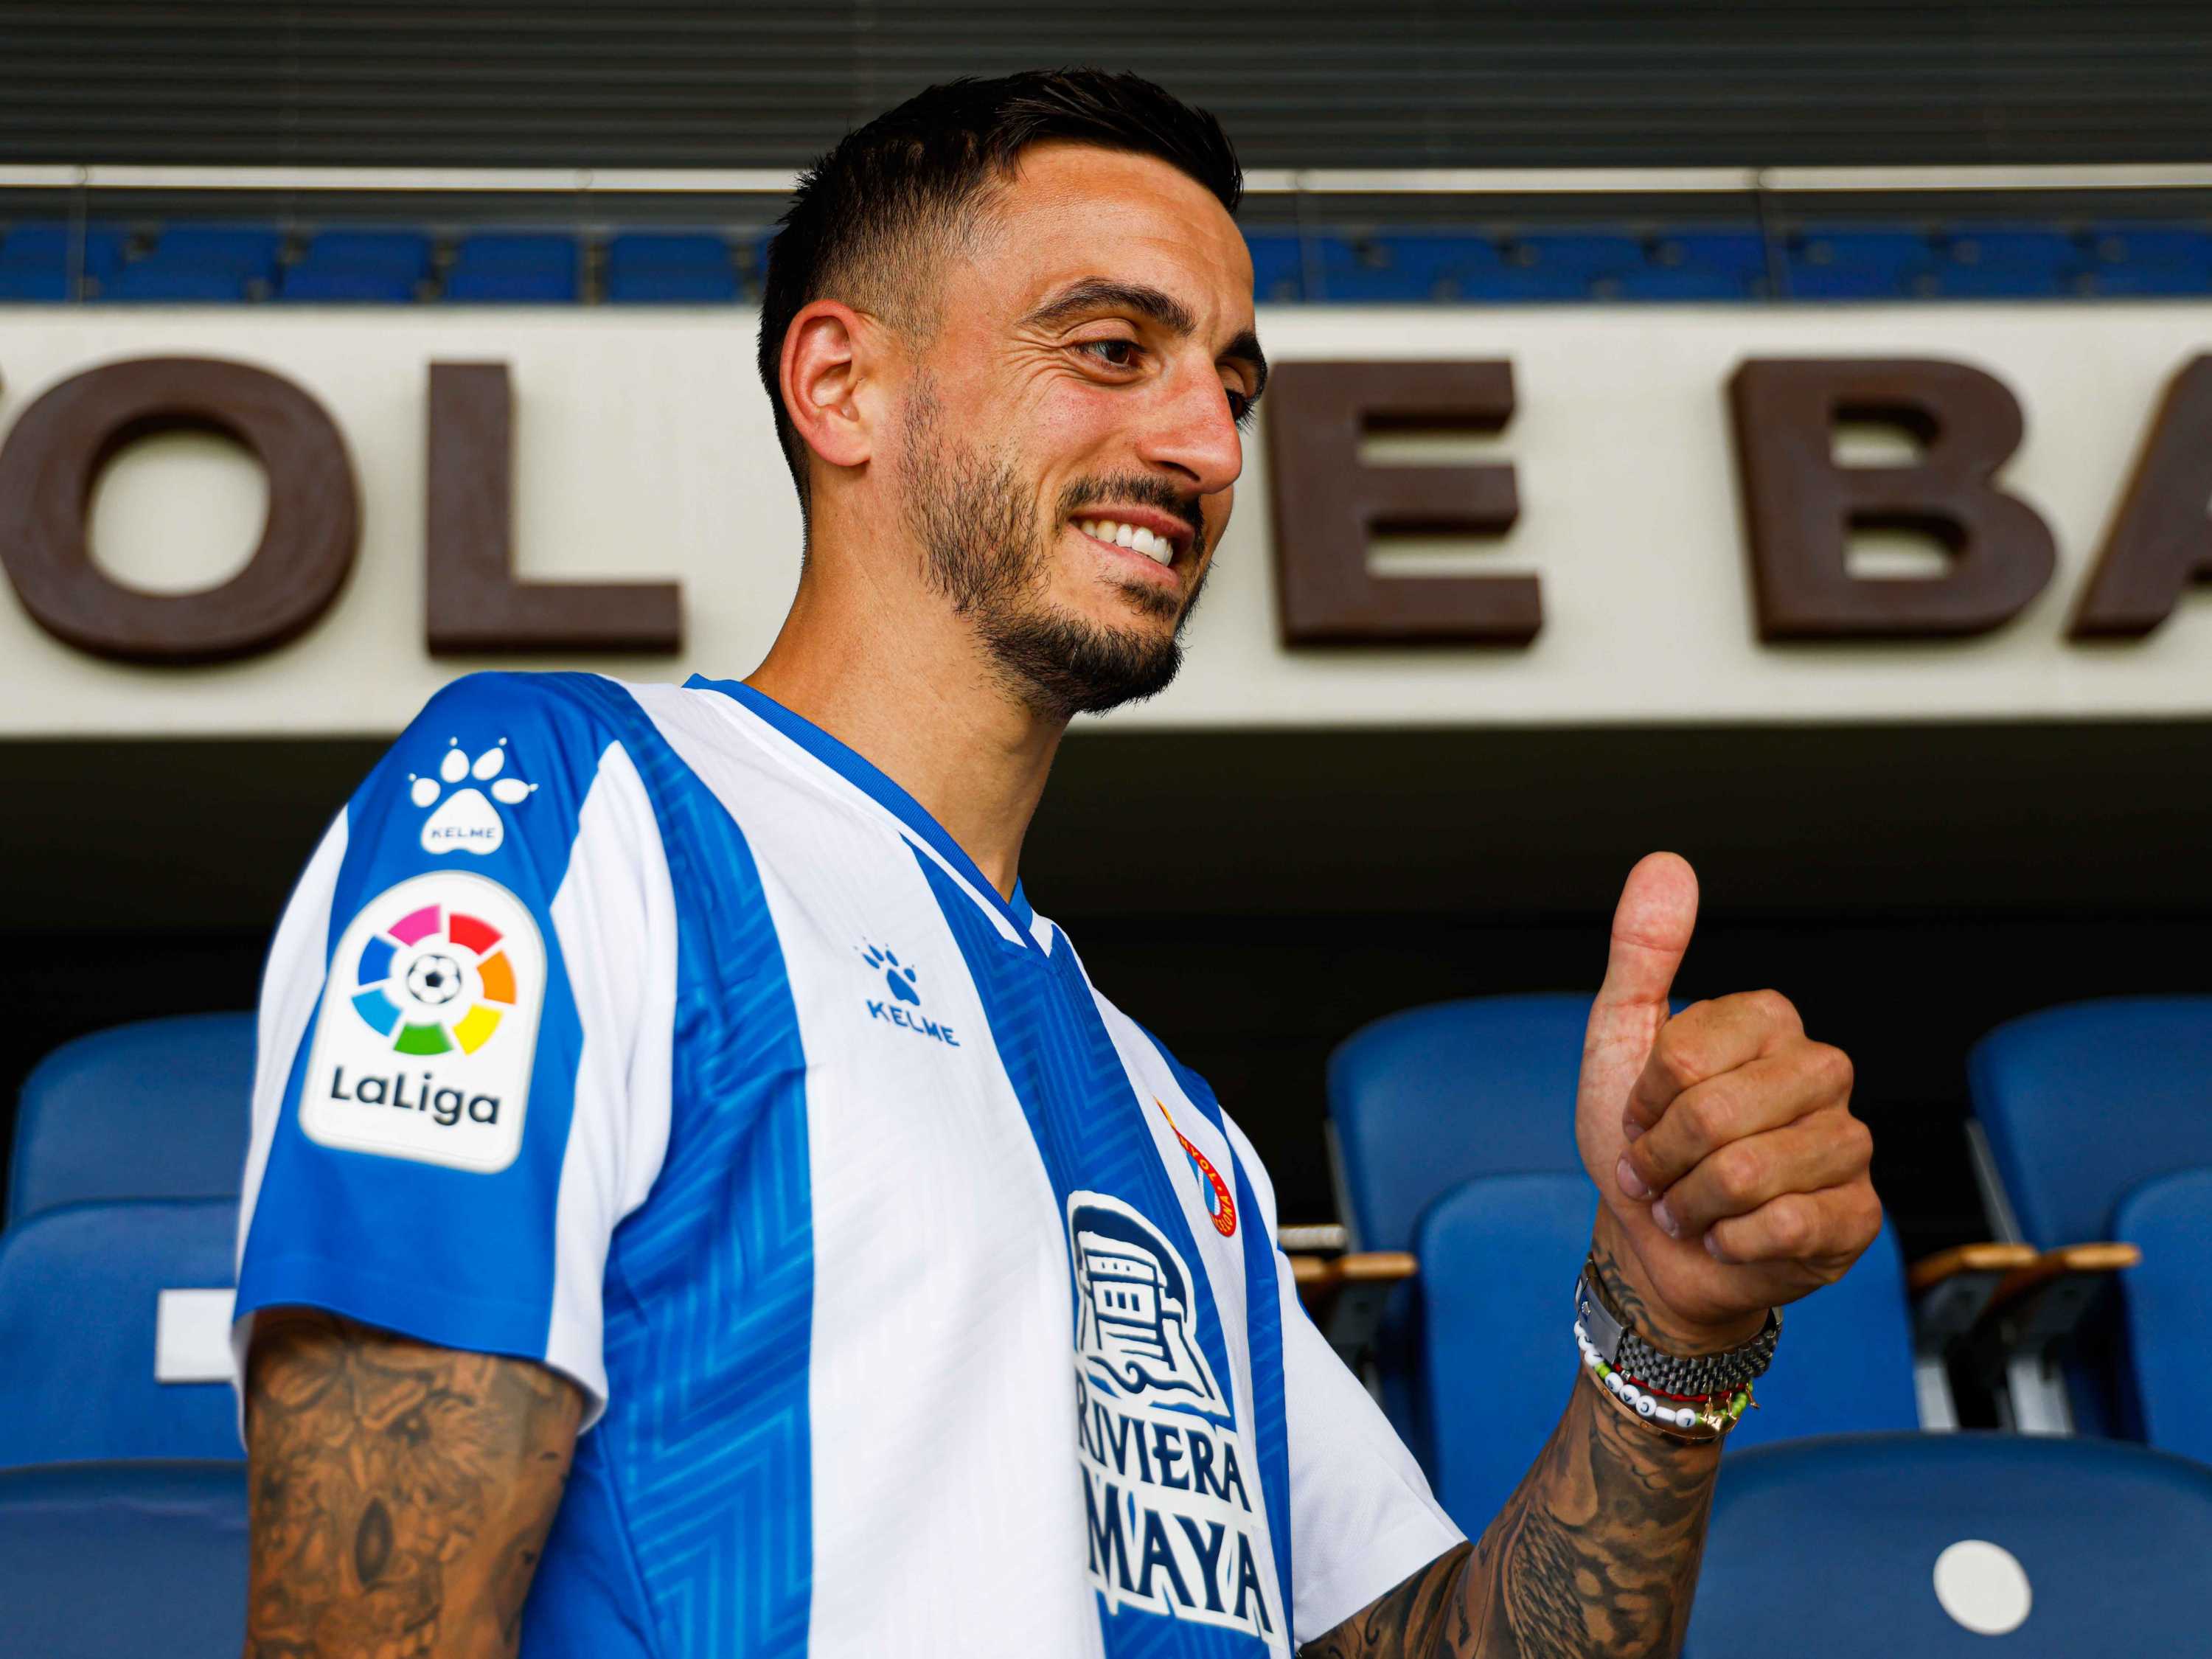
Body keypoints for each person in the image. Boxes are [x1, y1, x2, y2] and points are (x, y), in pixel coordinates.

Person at [231, 69, 1879, 1658]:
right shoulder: (567, 809)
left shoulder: (1178, 1130)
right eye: (1111, 349)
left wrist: (1669, 1329)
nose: (1212, 450)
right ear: (841, 387)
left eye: (1231, 388)